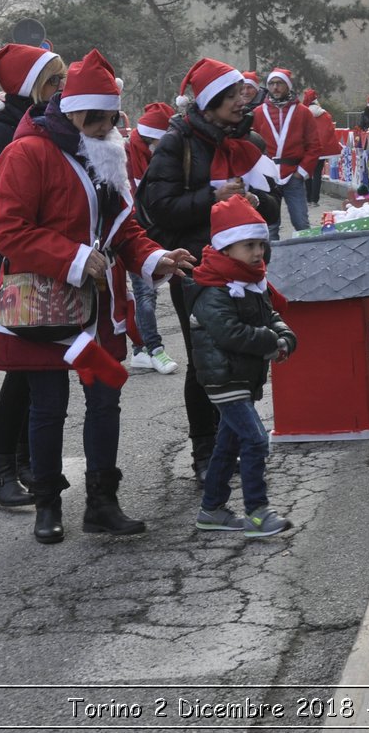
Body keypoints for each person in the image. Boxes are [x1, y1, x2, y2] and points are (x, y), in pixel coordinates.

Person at [0, 49, 196, 544]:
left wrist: (154, 259)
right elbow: (5, 229)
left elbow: (124, 228)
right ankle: (48, 504)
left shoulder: (107, 150)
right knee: (47, 406)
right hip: (42, 305)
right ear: (70, 109)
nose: (105, 128)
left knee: (105, 400)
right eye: (95, 119)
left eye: (110, 118)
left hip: (97, 308)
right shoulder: (27, 153)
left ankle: (103, 502)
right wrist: (75, 257)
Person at [138, 58, 281, 484]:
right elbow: (158, 208)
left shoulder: (249, 139)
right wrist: (211, 194)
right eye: (234, 95)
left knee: (243, 356)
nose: (244, 100)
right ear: (212, 101)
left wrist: (255, 204)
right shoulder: (177, 142)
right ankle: (205, 451)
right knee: (207, 360)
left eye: (243, 93)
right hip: (197, 270)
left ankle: (234, 442)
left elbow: (273, 205)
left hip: (247, 271)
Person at [0, 43, 65, 507]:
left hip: (34, 263)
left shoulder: (43, 124)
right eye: (53, 81)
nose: (62, 88)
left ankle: (23, 462)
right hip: (6, 268)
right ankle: (1, 471)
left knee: (33, 372)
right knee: (22, 373)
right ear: (30, 86)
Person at [189, 195, 298, 539]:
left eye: (260, 245)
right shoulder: (214, 289)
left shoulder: (250, 281)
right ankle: (256, 511)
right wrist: (270, 341)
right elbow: (229, 332)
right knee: (255, 439)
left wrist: (284, 337)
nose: (257, 253)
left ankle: (212, 509)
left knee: (229, 444)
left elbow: (271, 316)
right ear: (225, 248)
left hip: (241, 375)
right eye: (248, 245)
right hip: (224, 378)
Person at [125, 102, 178, 375]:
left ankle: (139, 350)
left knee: (150, 292)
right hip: (131, 234)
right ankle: (154, 349)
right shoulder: (125, 154)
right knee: (144, 292)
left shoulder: (154, 155)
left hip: (152, 232)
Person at [253, 68, 321, 240]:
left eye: (279, 83)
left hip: (293, 174)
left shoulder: (303, 112)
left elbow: (314, 146)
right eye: (271, 83)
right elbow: (250, 145)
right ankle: (272, 264)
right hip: (267, 176)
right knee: (270, 226)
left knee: (301, 223)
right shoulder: (258, 113)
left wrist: (301, 173)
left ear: (288, 86)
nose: (275, 87)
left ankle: (307, 260)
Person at [302, 89, 341, 205]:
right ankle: (315, 199)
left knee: (308, 173)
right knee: (317, 173)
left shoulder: (303, 114)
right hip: (320, 149)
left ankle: (308, 198)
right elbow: (329, 131)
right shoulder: (324, 114)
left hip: (308, 149)